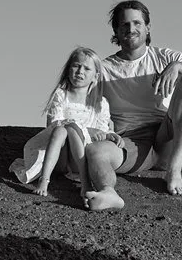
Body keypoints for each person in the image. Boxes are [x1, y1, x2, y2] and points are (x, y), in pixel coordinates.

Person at [83, 0, 182, 210]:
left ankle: (174, 170)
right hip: (130, 141)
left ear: (148, 27)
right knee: (96, 152)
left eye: (137, 23)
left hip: (166, 136)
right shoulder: (103, 69)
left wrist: (177, 67)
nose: (131, 29)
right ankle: (108, 192)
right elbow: (81, 102)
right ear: (116, 30)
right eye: (125, 24)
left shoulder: (165, 57)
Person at [9, 47, 122, 203]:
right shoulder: (61, 95)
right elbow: (53, 124)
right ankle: (44, 179)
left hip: (80, 159)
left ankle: (85, 182)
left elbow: (102, 131)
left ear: (95, 76)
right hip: (60, 157)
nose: (80, 71)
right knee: (63, 129)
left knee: (71, 128)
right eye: (76, 66)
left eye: (87, 68)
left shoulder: (100, 103)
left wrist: (110, 135)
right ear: (69, 69)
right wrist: (83, 129)